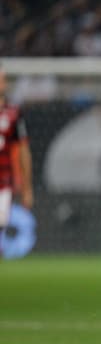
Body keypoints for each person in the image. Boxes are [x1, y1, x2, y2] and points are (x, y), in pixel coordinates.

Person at [0, 66, 34, 257]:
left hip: (4, 181)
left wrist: (27, 188)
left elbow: (23, 151)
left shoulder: (13, 114)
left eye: (4, 79)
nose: (3, 82)